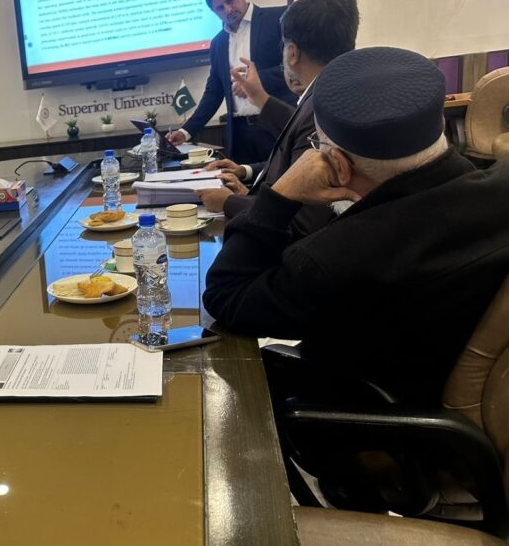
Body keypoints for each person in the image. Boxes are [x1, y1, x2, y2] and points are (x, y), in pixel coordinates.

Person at [203, 47, 509, 405]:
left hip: (365, 419)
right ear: (439, 125)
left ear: (339, 166)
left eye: (316, 147)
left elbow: (225, 296)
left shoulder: (336, 257)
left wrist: (280, 195)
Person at [199, 0, 360, 240]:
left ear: (292, 54)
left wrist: (228, 201)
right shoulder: (340, 95)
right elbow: (292, 157)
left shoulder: (321, 112)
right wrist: (245, 172)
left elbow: (301, 220)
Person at [167, 0, 297, 163]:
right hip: (239, 134)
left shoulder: (278, 18)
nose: (228, 9)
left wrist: (255, 82)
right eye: (220, 8)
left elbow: (295, 66)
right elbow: (214, 93)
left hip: (277, 125)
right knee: (244, 181)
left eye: (230, 0)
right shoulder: (218, 43)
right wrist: (185, 131)